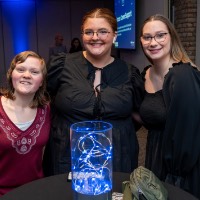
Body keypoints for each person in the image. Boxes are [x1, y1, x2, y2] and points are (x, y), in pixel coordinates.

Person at [43, 8, 144, 176]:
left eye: (103, 31)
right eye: (89, 32)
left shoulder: (129, 73)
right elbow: (41, 99)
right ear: (82, 35)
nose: (95, 37)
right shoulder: (62, 65)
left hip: (117, 158)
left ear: (115, 35)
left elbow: (139, 114)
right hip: (67, 157)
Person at [139, 14, 200, 199]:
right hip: (154, 157)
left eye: (160, 35)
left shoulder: (183, 75)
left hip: (179, 171)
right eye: (147, 37)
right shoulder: (146, 74)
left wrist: (174, 181)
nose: (153, 42)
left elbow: (188, 135)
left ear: (171, 37)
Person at [0, 51, 51, 196]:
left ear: (41, 81)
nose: (27, 75)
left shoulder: (46, 110)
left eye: (34, 72)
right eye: (21, 69)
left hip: (35, 192)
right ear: (11, 74)